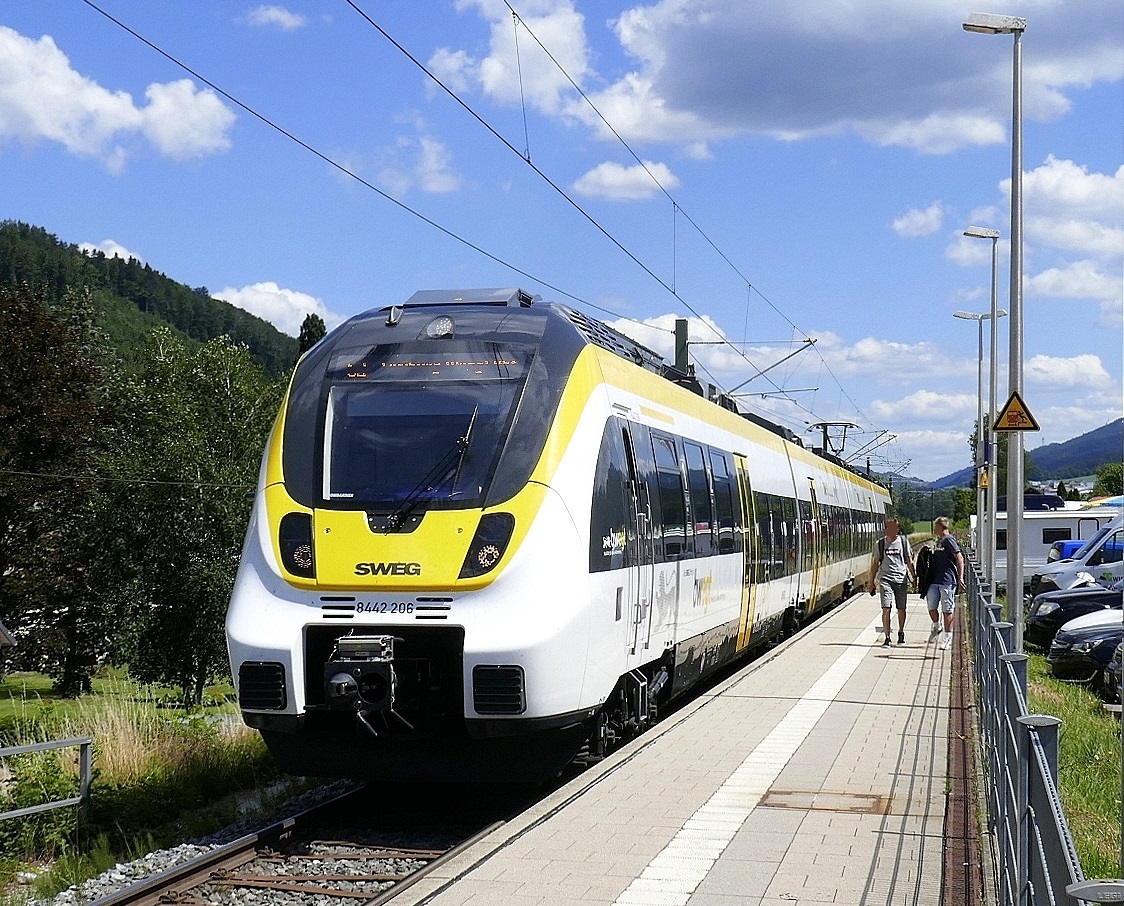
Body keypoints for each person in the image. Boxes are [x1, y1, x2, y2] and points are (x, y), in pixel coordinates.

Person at [869, 517, 915, 647]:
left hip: (901, 579)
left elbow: (909, 561)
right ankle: (887, 637)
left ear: (897, 529)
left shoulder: (904, 542)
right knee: (886, 608)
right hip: (885, 579)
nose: (890, 531)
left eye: (893, 528)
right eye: (888, 528)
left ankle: (901, 632)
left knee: (901, 608)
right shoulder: (880, 544)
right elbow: (875, 564)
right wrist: (871, 581)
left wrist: (914, 577)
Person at [927, 516, 965, 651]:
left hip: (947, 580)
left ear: (940, 526)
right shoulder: (939, 541)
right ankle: (937, 626)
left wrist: (960, 577)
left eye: (935, 526)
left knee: (947, 610)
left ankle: (948, 639)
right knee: (931, 607)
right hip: (935, 580)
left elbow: (959, 557)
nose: (934, 528)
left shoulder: (949, 540)